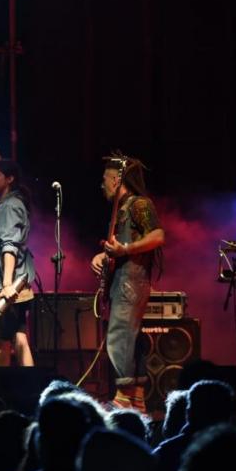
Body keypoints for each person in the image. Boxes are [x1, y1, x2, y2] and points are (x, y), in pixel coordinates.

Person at [89, 153, 164, 410]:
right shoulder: (121, 210)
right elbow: (119, 248)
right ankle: (137, 400)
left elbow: (157, 236)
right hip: (123, 280)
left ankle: (123, 399)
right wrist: (104, 255)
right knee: (130, 339)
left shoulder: (138, 204)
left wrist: (126, 250)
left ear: (116, 178)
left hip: (130, 283)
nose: (102, 185)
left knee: (119, 337)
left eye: (105, 179)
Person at [0, 111, 37, 367]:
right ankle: (31, 389)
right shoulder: (11, 201)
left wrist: (5, 286)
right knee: (20, 338)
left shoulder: (8, 207)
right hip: (17, 286)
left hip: (9, 287)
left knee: (1, 344)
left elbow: (9, 246)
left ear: (9, 179)